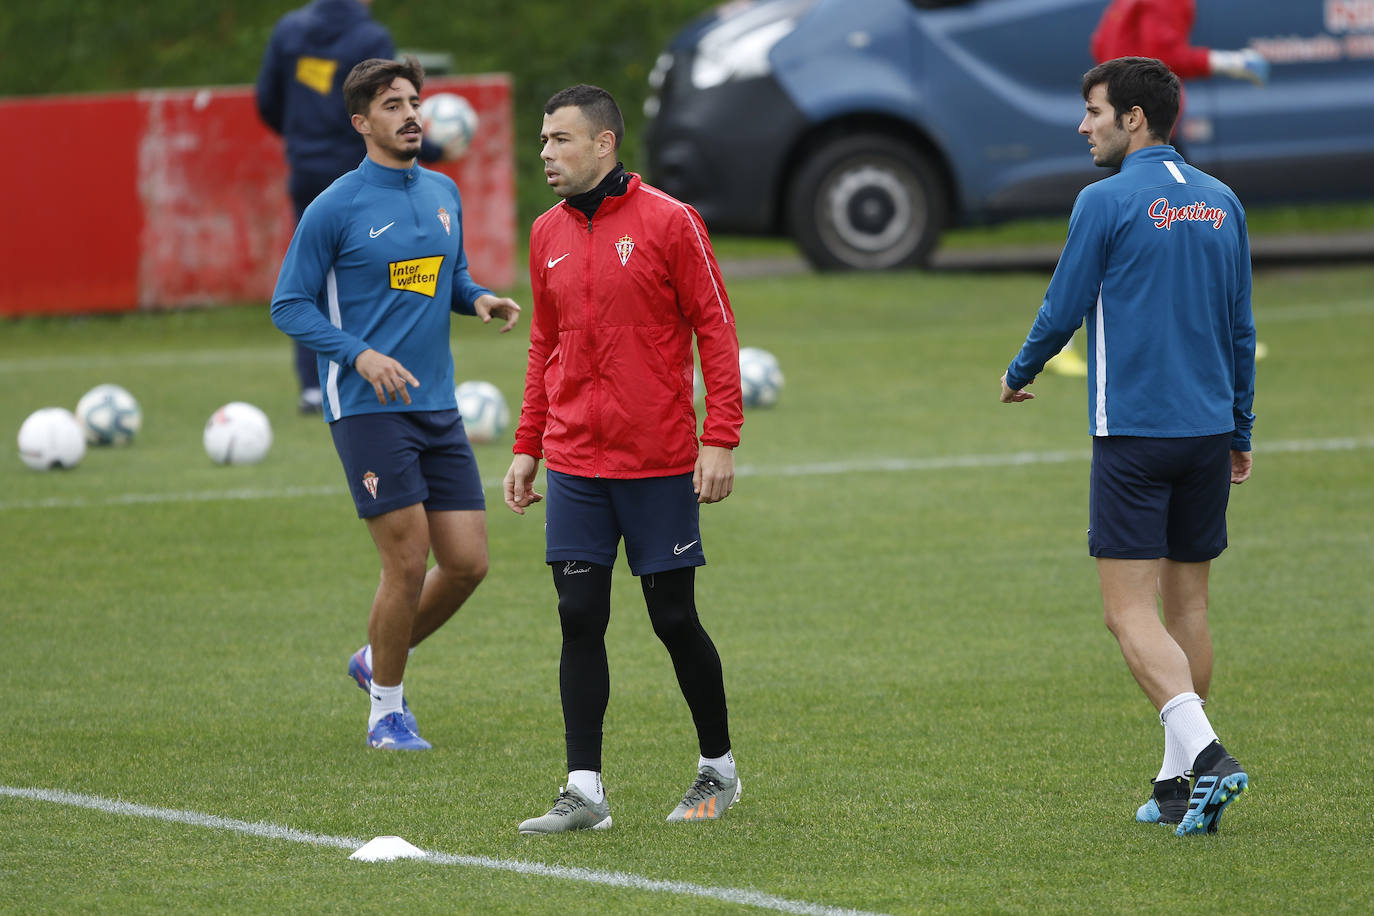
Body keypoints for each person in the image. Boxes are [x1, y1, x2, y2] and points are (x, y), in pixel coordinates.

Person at [998, 57, 1255, 836]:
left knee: (1127, 614)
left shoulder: (1103, 201)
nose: (1084, 126)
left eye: (1094, 112)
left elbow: (1065, 303)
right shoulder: (1223, 201)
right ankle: (1179, 787)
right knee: (1190, 606)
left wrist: (1019, 370)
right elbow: (1241, 328)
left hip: (1136, 435)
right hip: (1209, 433)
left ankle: (1209, 756)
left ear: (1134, 120)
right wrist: (1241, 429)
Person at [503, 85, 744, 834]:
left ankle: (719, 769)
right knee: (579, 615)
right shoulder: (544, 233)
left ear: (604, 144)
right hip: (575, 459)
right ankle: (585, 791)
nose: (546, 153)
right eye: (543, 140)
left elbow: (717, 328)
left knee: (672, 616)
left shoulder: (671, 223)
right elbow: (546, 344)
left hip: (659, 459)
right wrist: (526, 446)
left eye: (561, 140)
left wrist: (719, 437)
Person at [270, 56, 521, 751]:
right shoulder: (336, 206)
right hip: (365, 406)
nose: (411, 114)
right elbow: (288, 304)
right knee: (406, 562)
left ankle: (371, 656)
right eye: (392, 105)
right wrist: (360, 354)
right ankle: (386, 710)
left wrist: (478, 298)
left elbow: (450, 273)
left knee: (467, 564)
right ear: (361, 122)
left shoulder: (443, 190)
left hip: (436, 404)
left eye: (415, 101)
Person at [256, 0, 461, 414]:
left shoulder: (289, 30)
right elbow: (382, 113)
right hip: (356, 172)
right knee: (375, 271)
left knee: (313, 277)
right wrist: (433, 148)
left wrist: (303, 138)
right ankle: (380, 370)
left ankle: (314, 387)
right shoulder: (370, 38)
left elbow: (266, 101)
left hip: (306, 169)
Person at [1046, 0, 1268, 380]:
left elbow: (1102, 46)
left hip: (1125, 122)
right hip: (1143, 127)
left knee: (1123, 226)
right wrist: (1229, 62)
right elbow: (1162, 58)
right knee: (1190, 219)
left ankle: (1064, 342)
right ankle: (1219, 335)